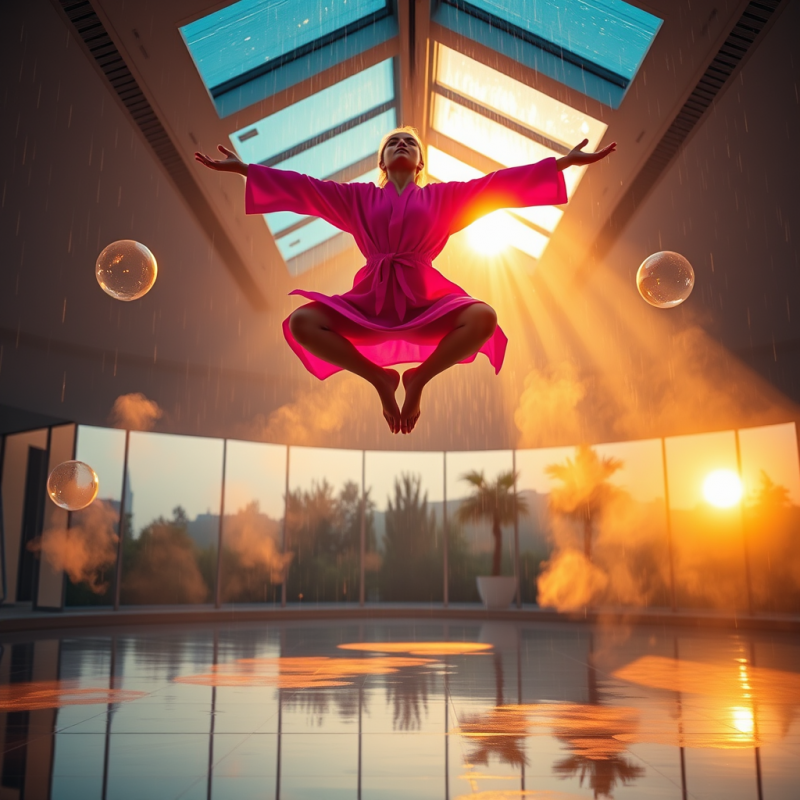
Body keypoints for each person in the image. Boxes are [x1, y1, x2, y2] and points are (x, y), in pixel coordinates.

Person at [195, 128, 615, 434]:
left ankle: (417, 379)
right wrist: (245, 170)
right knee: (302, 322)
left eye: (410, 143)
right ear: (381, 163)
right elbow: (305, 189)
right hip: (370, 301)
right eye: (393, 142)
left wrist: (562, 162)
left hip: (425, 300)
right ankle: (379, 378)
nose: (401, 145)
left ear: (420, 163)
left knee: (484, 317)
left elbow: (497, 186)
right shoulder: (358, 198)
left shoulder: (443, 198)